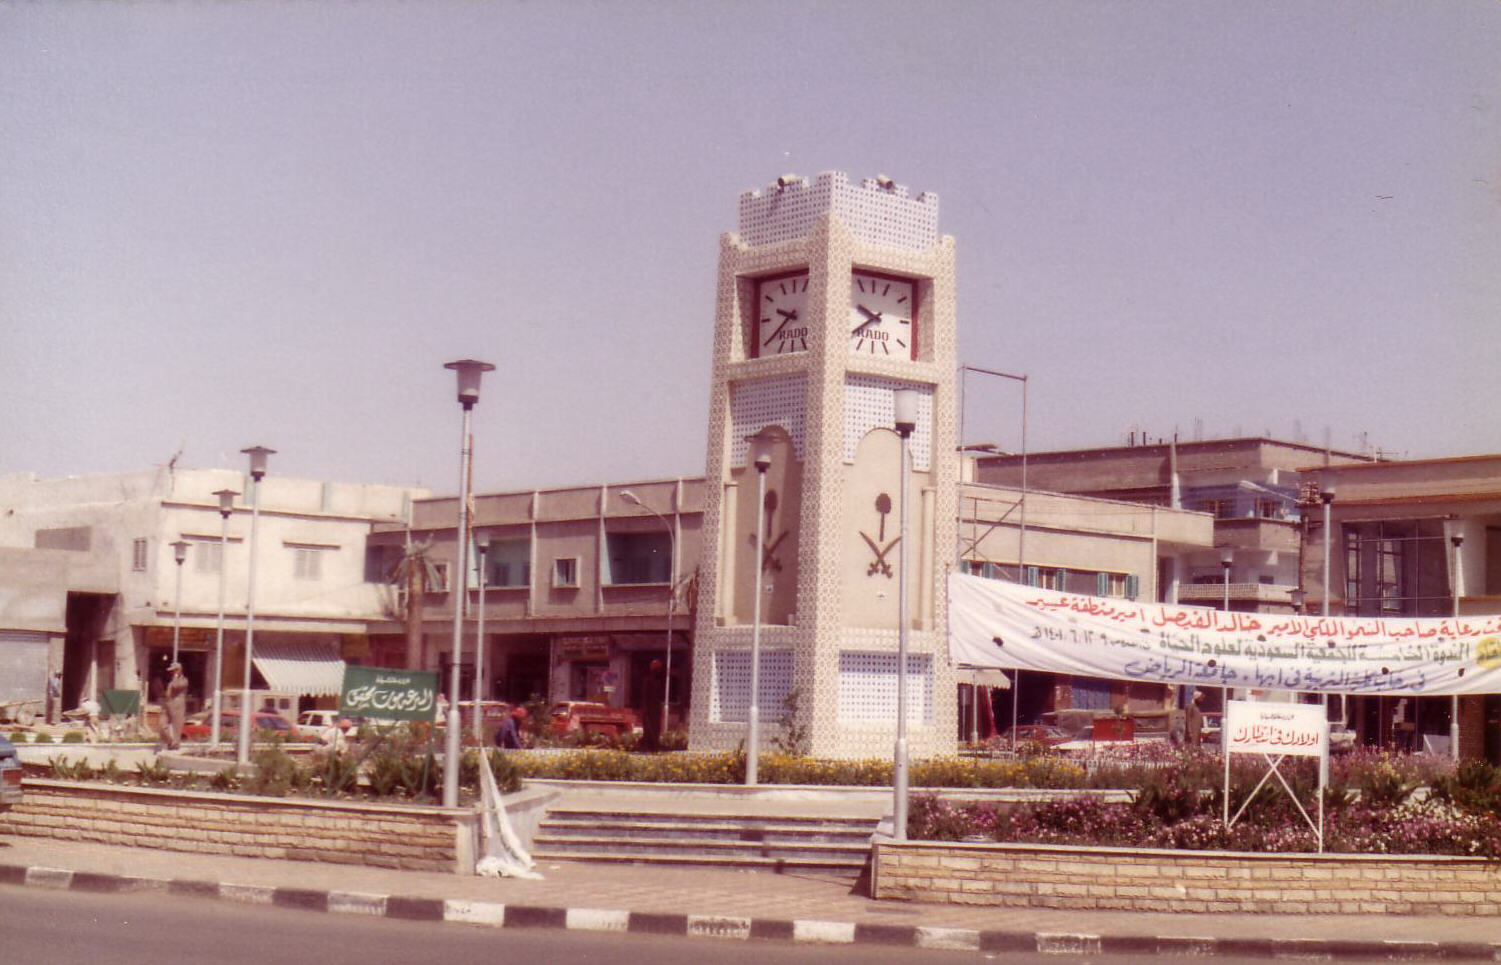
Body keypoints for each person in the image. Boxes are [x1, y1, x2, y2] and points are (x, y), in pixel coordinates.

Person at [160, 662, 188, 750]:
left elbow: (176, 686)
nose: (172, 673)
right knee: (161, 724)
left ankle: (174, 746)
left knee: (177, 728)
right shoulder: (170, 681)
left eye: (174, 671)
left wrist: (176, 677)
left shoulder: (184, 681)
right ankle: (170, 741)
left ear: (178, 670)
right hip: (167, 704)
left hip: (177, 705)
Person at [640, 659, 666, 753]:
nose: (659, 671)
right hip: (649, 710)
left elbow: (659, 697)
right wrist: (645, 710)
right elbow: (645, 696)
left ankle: (655, 747)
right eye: (657, 669)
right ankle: (648, 747)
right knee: (648, 729)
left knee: (656, 729)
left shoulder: (659, 682)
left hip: (656, 709)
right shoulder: (647, 681)